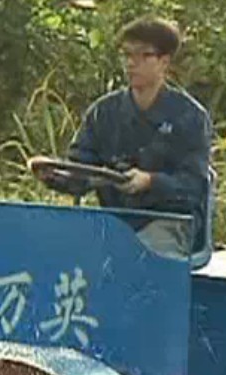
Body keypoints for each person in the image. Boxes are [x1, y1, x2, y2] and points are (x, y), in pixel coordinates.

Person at [31, 16, 215, 266]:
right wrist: (53, 175)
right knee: (54, 253)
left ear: (164, 62)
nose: (131, 63)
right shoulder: (103, 113)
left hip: (172, 224)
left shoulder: (190, 117)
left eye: (143, 56)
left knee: (135, 260)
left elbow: (194, 185)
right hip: (113, 223)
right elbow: (79, 171)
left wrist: (149, 181)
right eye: (127, 55)